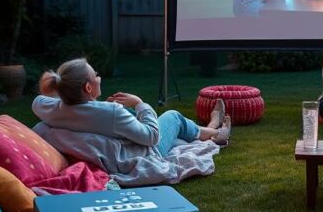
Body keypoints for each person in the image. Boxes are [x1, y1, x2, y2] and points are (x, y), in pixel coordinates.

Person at [32, 58, 231, 164]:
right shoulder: (112, 112)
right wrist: (139, 103)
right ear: (88, 88)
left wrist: (98, 105)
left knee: (178, 139)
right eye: (96, 75)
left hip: (117, 135)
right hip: (146, 152)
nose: (99, 78)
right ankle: (214, 131)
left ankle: (207, 130)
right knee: (173, 117)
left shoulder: (45, 107)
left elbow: (48, 101)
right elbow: (152, 137)